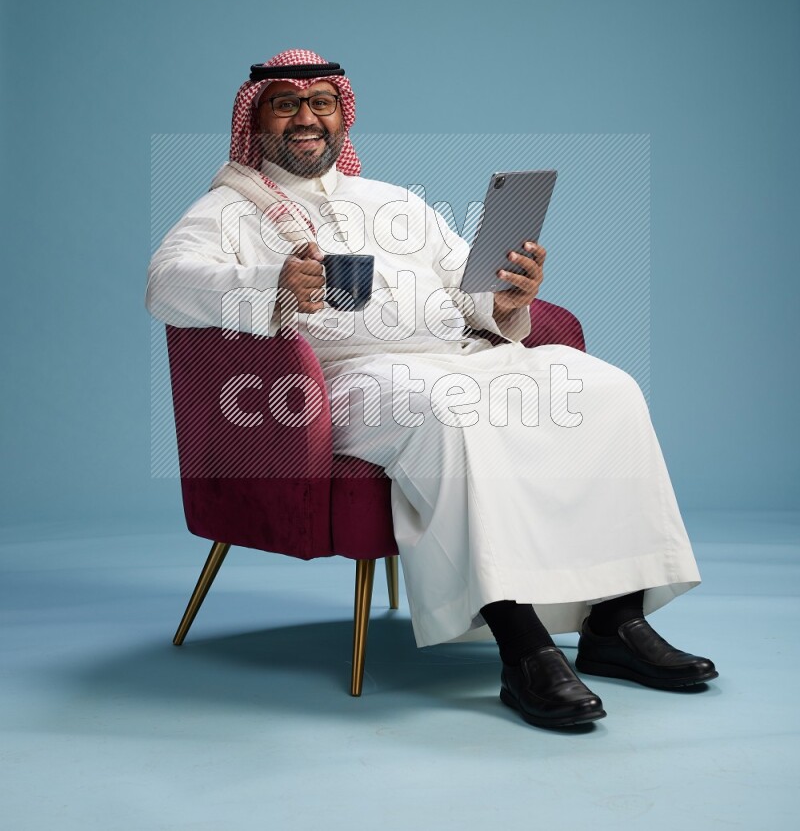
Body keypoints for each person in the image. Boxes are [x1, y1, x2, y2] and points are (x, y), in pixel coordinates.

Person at [146, 48, 717, 730]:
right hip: (348, 379)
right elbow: (165, 285)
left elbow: (470, 290)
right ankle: (523, 646)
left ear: (341, 116)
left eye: (321, 103)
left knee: (607, 391)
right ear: (256, 120)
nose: (307, 118)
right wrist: (268, 287)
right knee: (452, 413)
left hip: (464, 352)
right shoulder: (225, 211)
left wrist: (508, 300)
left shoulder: (396, 201)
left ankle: (616, 622)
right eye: (287, 104)